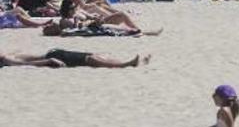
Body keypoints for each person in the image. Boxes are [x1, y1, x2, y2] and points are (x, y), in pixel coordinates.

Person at [156, 85, 239, 127]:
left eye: (215, 96)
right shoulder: (227, 109)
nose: (213, 97)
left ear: (221, 98)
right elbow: (224, 125)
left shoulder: (225, 110)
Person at [0, 49, 148, 68]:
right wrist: (48, 61)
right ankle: (124, 64)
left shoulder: (7, 54)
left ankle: (126, 62)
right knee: (90, 59)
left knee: (95, 55)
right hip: (54, 58)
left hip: (54, 53)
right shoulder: (7, 59)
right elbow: (25, 64)